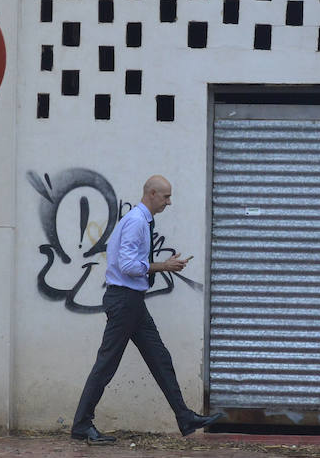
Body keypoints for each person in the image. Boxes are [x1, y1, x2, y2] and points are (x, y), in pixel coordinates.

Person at [71, 174, 225, 444]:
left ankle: (184, 417)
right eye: (166, 197)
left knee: (160, 359)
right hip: (125, 301)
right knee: (106, 365)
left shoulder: (140, 221)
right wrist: (164, 266)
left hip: (131, 301)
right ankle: (82, 425)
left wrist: (161, 265)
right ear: (151, 194)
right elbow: (128, 266)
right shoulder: (136, 222)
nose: (169, 202)